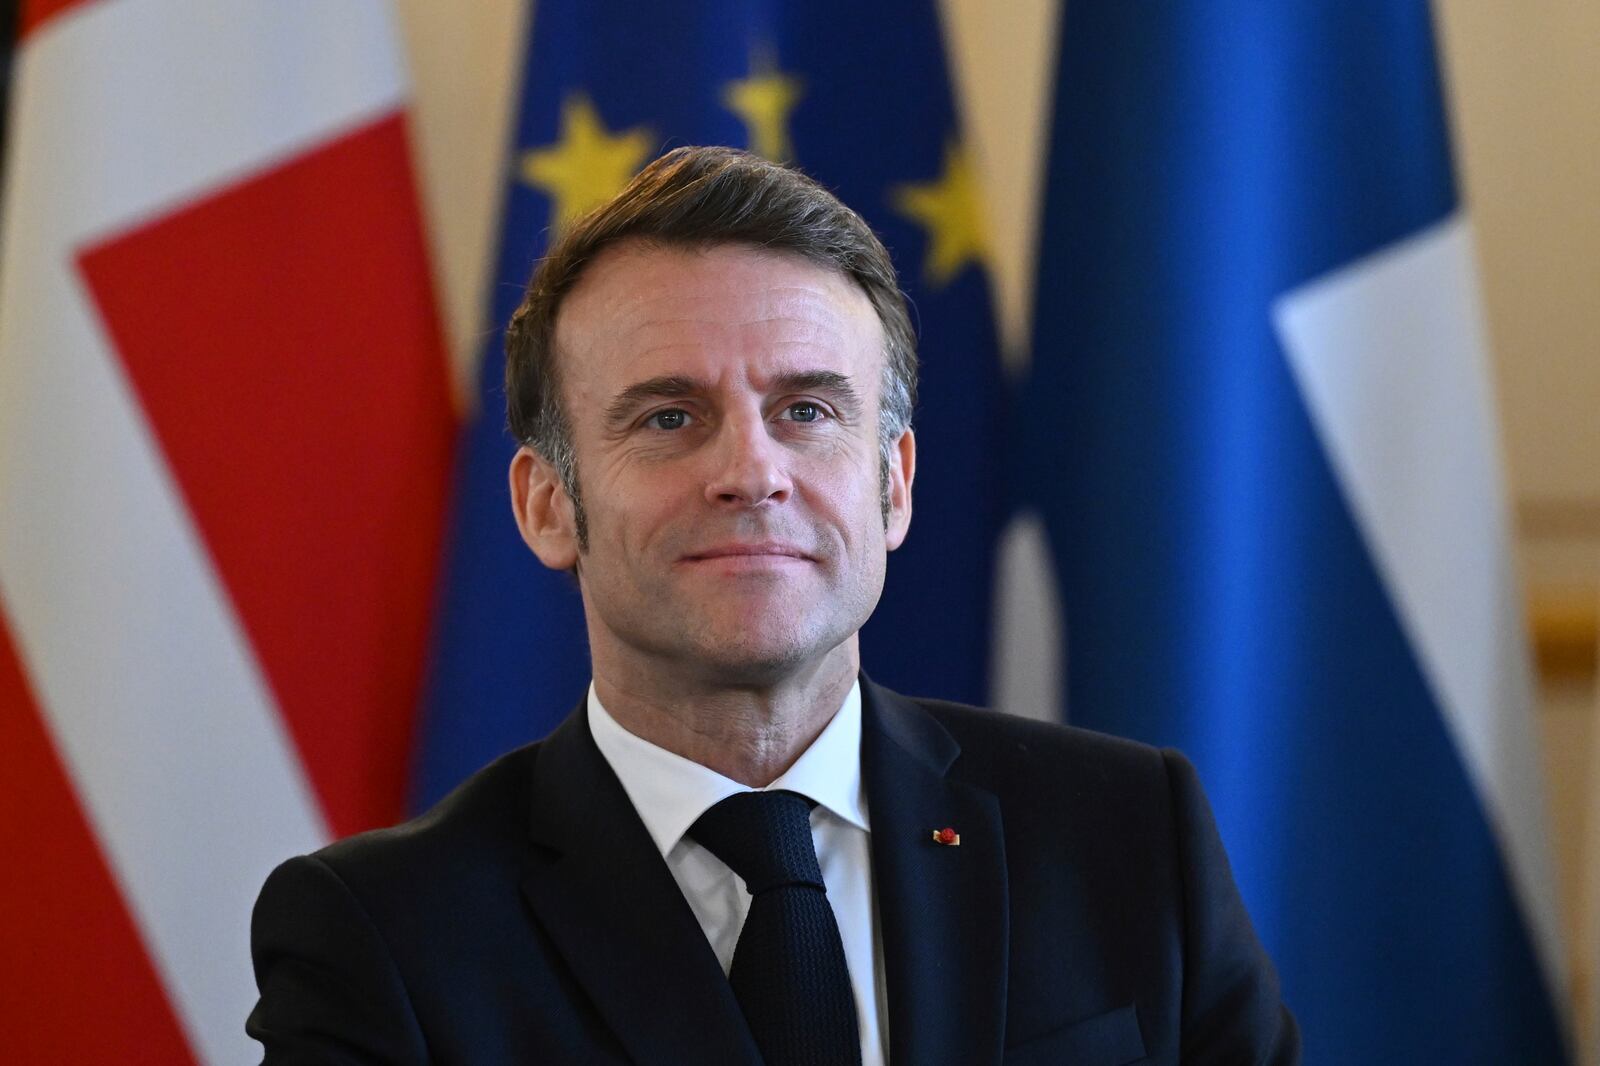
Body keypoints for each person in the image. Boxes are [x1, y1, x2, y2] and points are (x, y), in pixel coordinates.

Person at [247, 146, 1300, 1065]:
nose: (751, 472)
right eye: (668, 418)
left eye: (805, 409)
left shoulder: (1124, 839)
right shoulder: (385, 936)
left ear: (893, 484)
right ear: (547, 505)